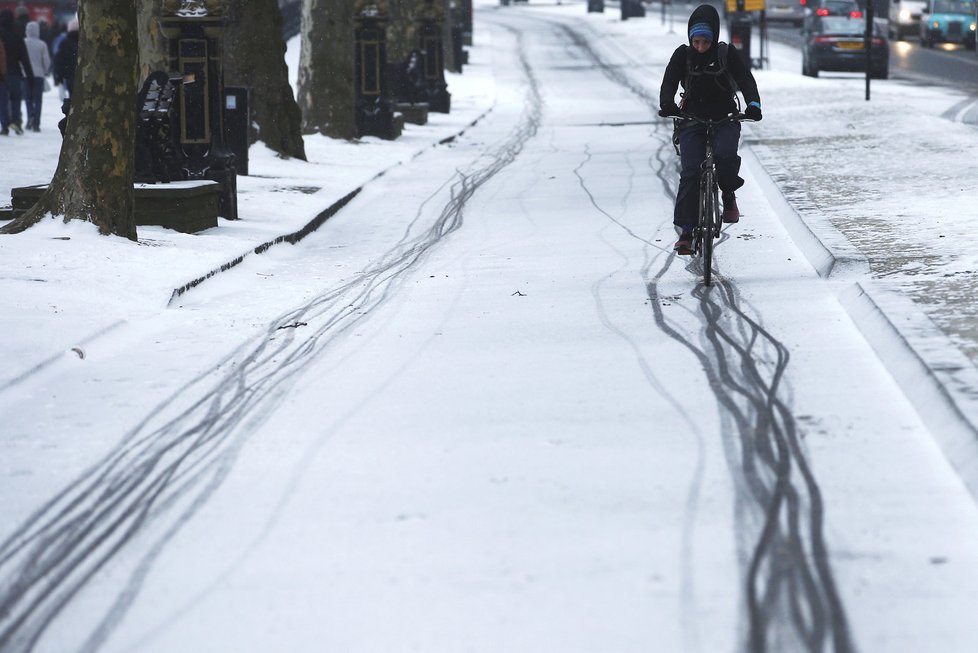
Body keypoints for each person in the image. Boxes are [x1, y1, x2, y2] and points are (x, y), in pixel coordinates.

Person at [658, 4, 762, 255]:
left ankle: (728, 194)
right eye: (696, 41)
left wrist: (753, 104)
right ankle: (686, 231)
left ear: (713, 38)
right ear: (690, 38)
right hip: (692, 118)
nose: (701, 47)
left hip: (725, 117)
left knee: (726, 155)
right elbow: (669, 81)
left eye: (705, 42)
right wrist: (667, 104)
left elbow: (745, 79)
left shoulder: (726, 54)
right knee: (691, 172)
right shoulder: (682, 55)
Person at [0, 8, 34, 136]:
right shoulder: (17, 36)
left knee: (2, 101)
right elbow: (24, 58)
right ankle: (15, 120)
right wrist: (30, 76)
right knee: (16, 98)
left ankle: (4, 126)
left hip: (1, 75)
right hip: (15, 72)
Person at [23, 21, 50, 131]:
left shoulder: (23, 42)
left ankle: (30, 116)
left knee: (28, 98)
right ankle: (36, 123)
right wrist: (44, 71)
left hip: (25, 74)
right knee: (38, 99)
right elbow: (46, 60)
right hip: (38, 74)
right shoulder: (42, 44)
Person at [53, 17, 78, 98]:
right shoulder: (85, 43)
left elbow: (58, 61)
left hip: (70, 75)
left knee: (72, 96)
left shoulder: (65, 43)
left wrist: (59, 77)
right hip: (84, 75)